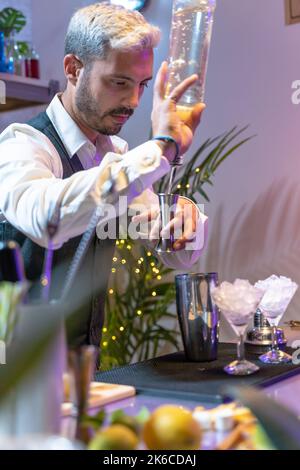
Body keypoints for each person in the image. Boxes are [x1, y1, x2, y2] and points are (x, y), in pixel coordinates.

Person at [0, 4, 207, 353]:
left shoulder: (116, 154)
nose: (133, 101)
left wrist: (183, 222)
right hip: (14, 380)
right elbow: (49, 218)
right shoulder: (22, 144)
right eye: (119, 82)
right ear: (73, 69)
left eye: (142, 85)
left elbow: (169, 246)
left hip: (81, 373)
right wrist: (160, 149)